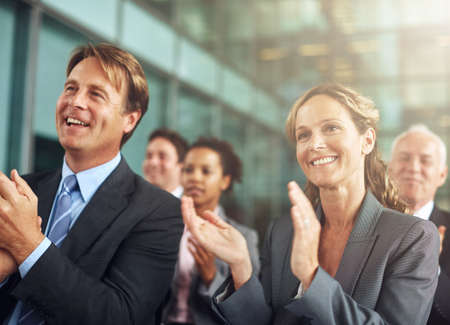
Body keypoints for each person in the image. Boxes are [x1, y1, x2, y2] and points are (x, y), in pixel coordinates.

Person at [182, 84, 440, 325]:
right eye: (303, 135)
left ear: (367, 140)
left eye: (331, 128)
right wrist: (241, 266)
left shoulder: (414, 238)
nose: (314, 144)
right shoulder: (283, 233)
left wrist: (312, 278)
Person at [0, 43, 183, 325]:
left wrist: (28, 247)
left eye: (95, 94)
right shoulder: (21, 189)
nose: (76, 102)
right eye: (71, 88)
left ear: (130, 120)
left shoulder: (159, 212)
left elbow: (118, 315)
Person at [163, 137, 259, 325]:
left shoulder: (244, 238)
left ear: (225, 180)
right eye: (188, 170)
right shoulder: (162, 225)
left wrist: (211, 277)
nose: (195, 177)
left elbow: (250, 310)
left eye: (206, 171)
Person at [389, 124, 450, 325]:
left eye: (425, 161)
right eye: (405, 158)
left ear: (442, 175)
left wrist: (432, 268)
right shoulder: (364, 224)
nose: (413, 168)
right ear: (389, 168)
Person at [142, 128, 188, 198]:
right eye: (149, 156)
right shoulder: (131, 201)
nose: (153, 162)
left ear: (181, 165)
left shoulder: (196, 205)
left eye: (162, 157)